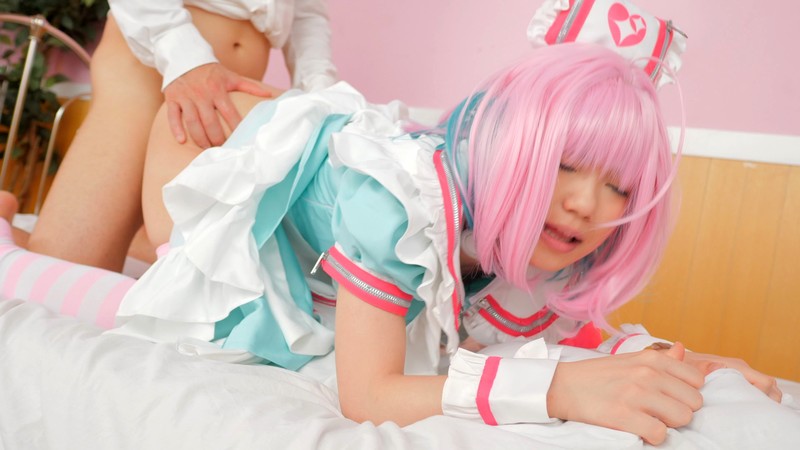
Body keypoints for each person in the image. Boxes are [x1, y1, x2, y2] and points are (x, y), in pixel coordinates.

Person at [0, 43, 782, 446]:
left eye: (619, 187)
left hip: (305, 229)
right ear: (511, 148)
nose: (587, 204)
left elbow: (582, 340)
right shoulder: (397, 204)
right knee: (157, 288)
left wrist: (695, 363)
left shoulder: (539, 242)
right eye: (566, 165)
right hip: (219, 159)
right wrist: (559, 392)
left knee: (139, 258)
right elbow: (367, 396)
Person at [26, 0, 337, 272]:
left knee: (205, 258)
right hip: (153, 68)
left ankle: (137, 240)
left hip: (224, 93)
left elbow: (306, 11)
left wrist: (320, 89)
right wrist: (187, 62)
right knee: (63, 266)